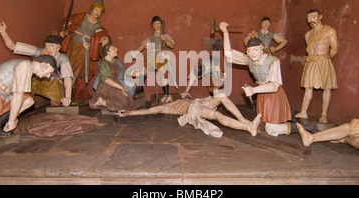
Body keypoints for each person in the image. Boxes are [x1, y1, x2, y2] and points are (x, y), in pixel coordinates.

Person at [221, 21, 314, 137]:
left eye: (255, 50)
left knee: (271, 129)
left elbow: (274, 86)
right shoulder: (249, 59)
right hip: (261, 94)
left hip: (273, 95)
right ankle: (289, 115)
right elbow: (229, 55)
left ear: (261, 48)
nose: (252, 54)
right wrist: (225, 32)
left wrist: (254, 90)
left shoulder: (273, 62)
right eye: (249, 51)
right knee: (261, 126)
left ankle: (303, 127)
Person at [0, 20, 73, 107]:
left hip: (51, 83)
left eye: (52, 46)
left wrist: (68, 97)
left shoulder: (63, 58)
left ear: (58, 47)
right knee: (26, 89)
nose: (48, 49)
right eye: (46, 46)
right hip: (34, 80)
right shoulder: (38, 52)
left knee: (56, 86)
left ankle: (56, 106)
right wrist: (3, 32)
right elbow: (12, 46)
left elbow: (67, 78)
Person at [119, 94, 261, 138]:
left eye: (168, 96)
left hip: (200, 102)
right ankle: (247, 127)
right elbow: (149, 110)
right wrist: (130, 113)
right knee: (217, 114)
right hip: (194, 109)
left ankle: (243, 119)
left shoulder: (180, 99)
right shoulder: (166, 107)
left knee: (222, 96)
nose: (168, 97)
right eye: (165, 97)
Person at [60, 0, 111, 100]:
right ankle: (64, 93)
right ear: (92, 9)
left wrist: (104, 39)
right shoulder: (82, 16)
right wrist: (66, 29)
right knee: (68, 67)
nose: (97, 13)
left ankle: (69, 94)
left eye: (100, 12)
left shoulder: (97, 25)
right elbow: (70, 23)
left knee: (77, 71)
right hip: (73, 45)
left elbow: (102, 35)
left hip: (84, 49)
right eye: (96, 10)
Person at [295, 8, 339, 123]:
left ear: (320, 17)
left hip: (323, 60)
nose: (310, 20)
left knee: (327, 87)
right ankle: (304, 111)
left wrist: (325, 59)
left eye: (313, 17)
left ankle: (324, 114)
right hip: (311, 61)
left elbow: (334, 49)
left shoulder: (329, 31)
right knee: (308, 87)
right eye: (308, 18)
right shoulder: (308, 34)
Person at [131, 15, 176, 104]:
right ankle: (140, 88)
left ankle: (166, 94)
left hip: (161, 57)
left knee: (163, 74)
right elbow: (143, 45)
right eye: (155, 24)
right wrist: (136, 52)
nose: (157, 25)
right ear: (153, 26)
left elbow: (171, 45)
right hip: (152, 57)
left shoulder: (165, 35)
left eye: (159, 23)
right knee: (144, 67)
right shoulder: (151, 37)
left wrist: (166, 40)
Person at [89, 44, 140, 113]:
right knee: (124, 102)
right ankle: (102, 102)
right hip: (106, 87)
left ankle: (105, 102)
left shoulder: (116, 62)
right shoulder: (103, 64)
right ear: (108, 52)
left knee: (128, 102)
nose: (117, 49)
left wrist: (134, 73)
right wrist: (121, 88)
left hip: (115, 85)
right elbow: (106, 80)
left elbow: (124, 70)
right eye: (113, 48)